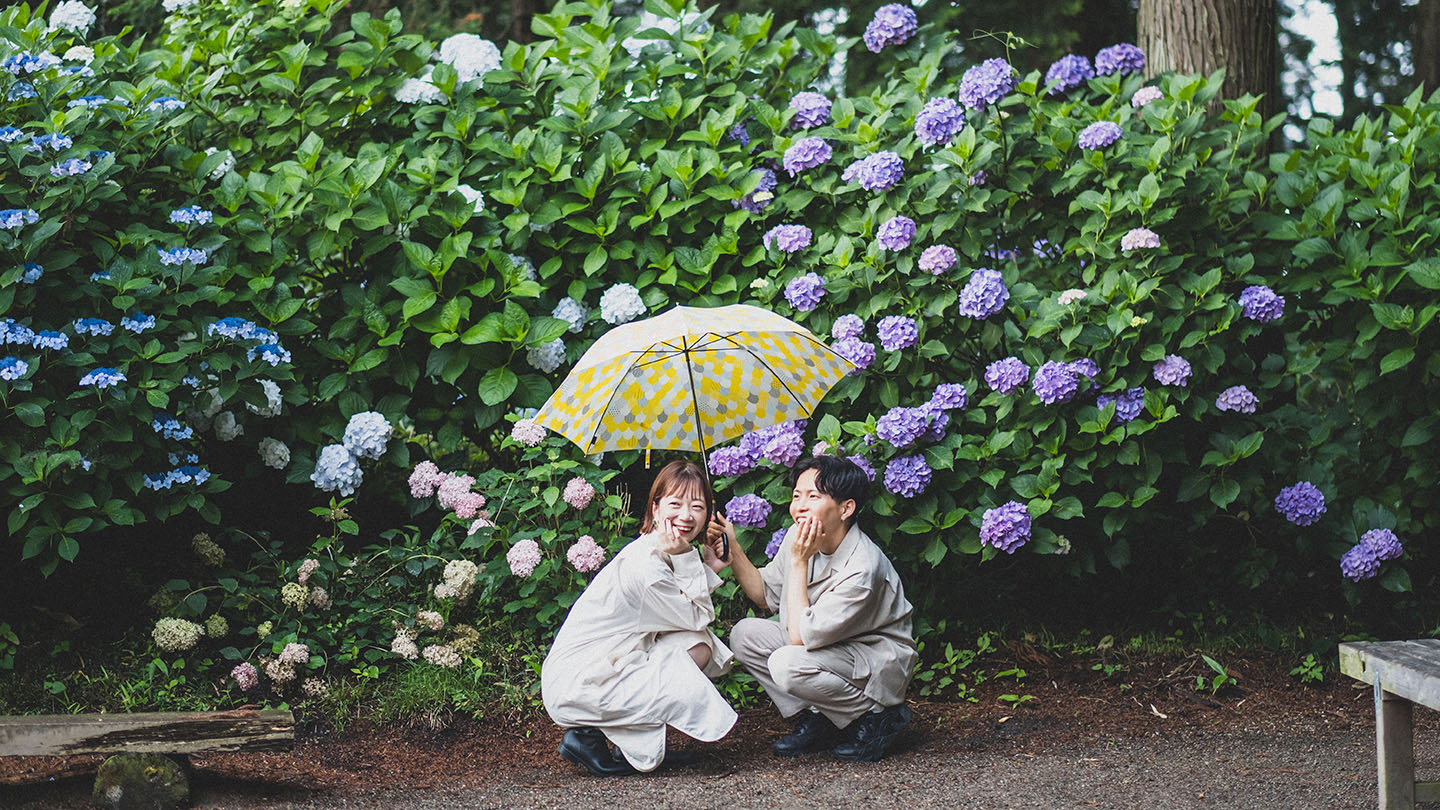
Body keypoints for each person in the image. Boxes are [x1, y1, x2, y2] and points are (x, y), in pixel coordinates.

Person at [709, 455, 917, 762]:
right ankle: (820, 718)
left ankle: (877, 718)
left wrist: (799, 561)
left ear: (846, 508)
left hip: (872, 657)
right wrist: (733, 546)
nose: (800, 506)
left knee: (787, 663)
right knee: (745, 634)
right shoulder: (800, 535)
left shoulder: (862, 567)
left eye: (813, 497)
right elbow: (765, 595)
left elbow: (798, 638)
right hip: (828, 646)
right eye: (797, 496)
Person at [541, 460, 736, 777]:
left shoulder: (660, 551)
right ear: (656, 508)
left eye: (698, 506)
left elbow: (682, 608)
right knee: (699, 644)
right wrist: (691, 558)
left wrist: (710, 567)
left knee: (697, 645)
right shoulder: (645, 565)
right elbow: (696, 615)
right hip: (578, 683)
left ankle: (624, 740)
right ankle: (588, 734)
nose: (687, 515)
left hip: (606, 665)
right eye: (676, 504)